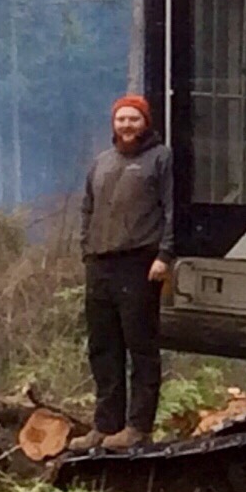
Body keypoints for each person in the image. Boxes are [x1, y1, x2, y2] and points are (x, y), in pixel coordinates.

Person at [69, 94, 174, 452]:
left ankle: (138, 428)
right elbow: (87, 208)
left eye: (134, 119)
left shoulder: (160, 158)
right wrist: (86, 249)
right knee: (103, 347)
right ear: (113, 124)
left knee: (140, 347)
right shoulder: (102, 162)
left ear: (145, 122)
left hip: (140, 263)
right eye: (121, 120)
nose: (127, 126)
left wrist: (165, 255)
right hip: (100, 265)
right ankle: (105, 425)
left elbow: (172, 209)